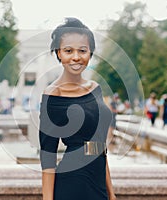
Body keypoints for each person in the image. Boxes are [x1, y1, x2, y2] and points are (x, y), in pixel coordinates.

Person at [39, 18, 116, 200]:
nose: (76, 57)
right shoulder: (52, 96)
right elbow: (48, 158)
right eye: (68, 51)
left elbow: (99, 146)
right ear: (58, 53)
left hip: (97, 185)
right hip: (72, 183)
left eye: (82, 50)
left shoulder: (95, 88)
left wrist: (111, 194)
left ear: (90, 53)